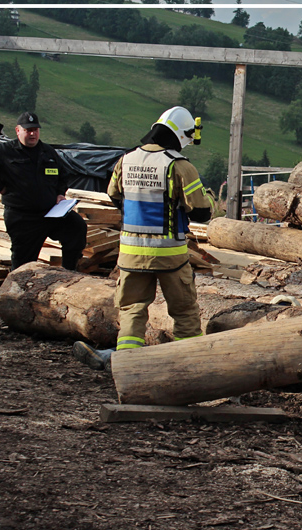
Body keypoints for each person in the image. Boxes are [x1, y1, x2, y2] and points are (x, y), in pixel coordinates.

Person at [73, 106, 213, 371]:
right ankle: (191, 364)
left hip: (131, 253)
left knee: (131, 309)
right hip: (170, 254)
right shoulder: (180, 166)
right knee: (183, 311)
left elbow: (114, 196)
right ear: (181, 135)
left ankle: (127, 365)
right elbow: (202, 211)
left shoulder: (126, 160)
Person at [0, 111, 87, 271]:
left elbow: (63, 175)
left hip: (51, 213)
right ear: (18, 130)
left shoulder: (47, 152)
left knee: (76, 227)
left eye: (35, 129)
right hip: (23, 218)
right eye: (28, 130)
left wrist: (60, 193)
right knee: (23, 266)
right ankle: (17, 292)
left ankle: (69, 272)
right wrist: (0, 186)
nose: (32, 133)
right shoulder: (5, 151)